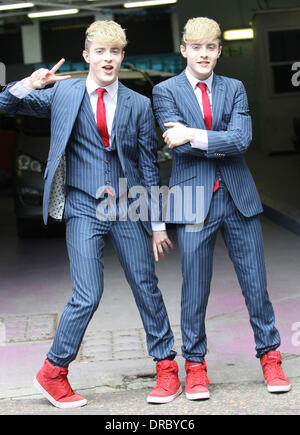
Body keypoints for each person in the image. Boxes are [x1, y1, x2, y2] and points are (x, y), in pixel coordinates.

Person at [0, 20, 180, 408]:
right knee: (87, 295)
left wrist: (158, 224)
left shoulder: (138, 103)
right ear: (87, 56)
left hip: (129, 205)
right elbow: (5, 102)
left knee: (145, 286)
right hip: (83, 205)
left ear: (122, 56)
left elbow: (148, 165)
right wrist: (31, 83)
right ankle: (53, 373)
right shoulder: (64, 92)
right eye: (100, 51)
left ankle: (167, 368)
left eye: (114, 52)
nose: (108, 59)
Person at [152, 16, 291, 400]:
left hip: (238, 199)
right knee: (195, 290)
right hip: (193, 202)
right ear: (184, 50)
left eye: (210, 47)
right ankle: (195, 367)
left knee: (255, 285)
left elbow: (242, 139)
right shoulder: (165, 91)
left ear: (218, 51)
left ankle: (270, 357)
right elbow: (173, 140)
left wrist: (193, 134)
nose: (203, 54)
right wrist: (213, 138)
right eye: (196, 47)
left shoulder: (234, 88)